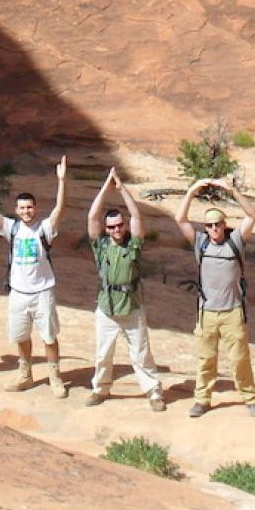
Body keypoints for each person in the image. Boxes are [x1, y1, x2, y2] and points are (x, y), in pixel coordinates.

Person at [0, 154, 68, 397]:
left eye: (30, 207)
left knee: (49, 336)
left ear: (35, 208)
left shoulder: (44, 228)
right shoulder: (12, 228)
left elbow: (60, 209)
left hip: (42, 292)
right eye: (22, 208)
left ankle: (54, 376)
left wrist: (62, 181)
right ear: (16, 210)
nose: (26, 211)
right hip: (19, 292)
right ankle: (26, 374)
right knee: (21, 335)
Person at [176, 176, 255, 417]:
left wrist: (233, 191)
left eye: (217, 224)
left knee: (239, 359)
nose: (214, 229)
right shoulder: (201, 243)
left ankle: (250, 398)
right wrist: (192, 190)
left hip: (233, 311)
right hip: (207, 313)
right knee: (206, 359)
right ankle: (202, 400)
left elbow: (252, 215)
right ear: (205, 228)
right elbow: (180, 219)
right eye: (209, 225)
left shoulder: (235, 241)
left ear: (224, 224)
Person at [85, 168, 165, 412]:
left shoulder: (133, 244)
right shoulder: (100, 245)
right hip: (106, 307)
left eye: (119, 226)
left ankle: (153, 392)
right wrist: (105, 188)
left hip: (131, 306)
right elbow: (92, 217)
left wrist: (121, 189)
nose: (116, 230)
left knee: (141, 353)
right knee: (102, 353)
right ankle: (101, 389)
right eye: (111, 227)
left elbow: (137, 216)